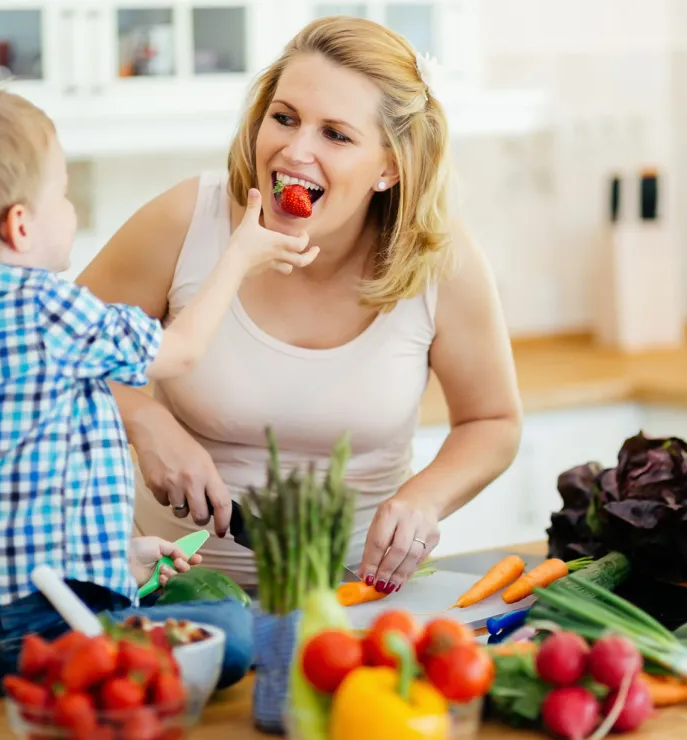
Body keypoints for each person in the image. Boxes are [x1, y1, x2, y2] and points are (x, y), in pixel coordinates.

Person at [77, 16, 523, 597]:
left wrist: (422, 498)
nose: (295, 149)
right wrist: (145, 419)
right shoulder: (186, 222)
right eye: (284, 118)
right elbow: (45, 348)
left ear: (390, 166)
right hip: (170, 596)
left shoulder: (439, 258)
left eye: (335, 134)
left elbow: (493, 423)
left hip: (351, 601)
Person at [0, 88, 317, 687]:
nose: (70, 210)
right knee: (232, 628)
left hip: (18, 606)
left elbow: (21, 495)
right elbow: (180, 350)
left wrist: (116, 560)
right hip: (56, 622)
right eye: (63, 195)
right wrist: (239, 255)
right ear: (19, 225)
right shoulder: (48, 308)